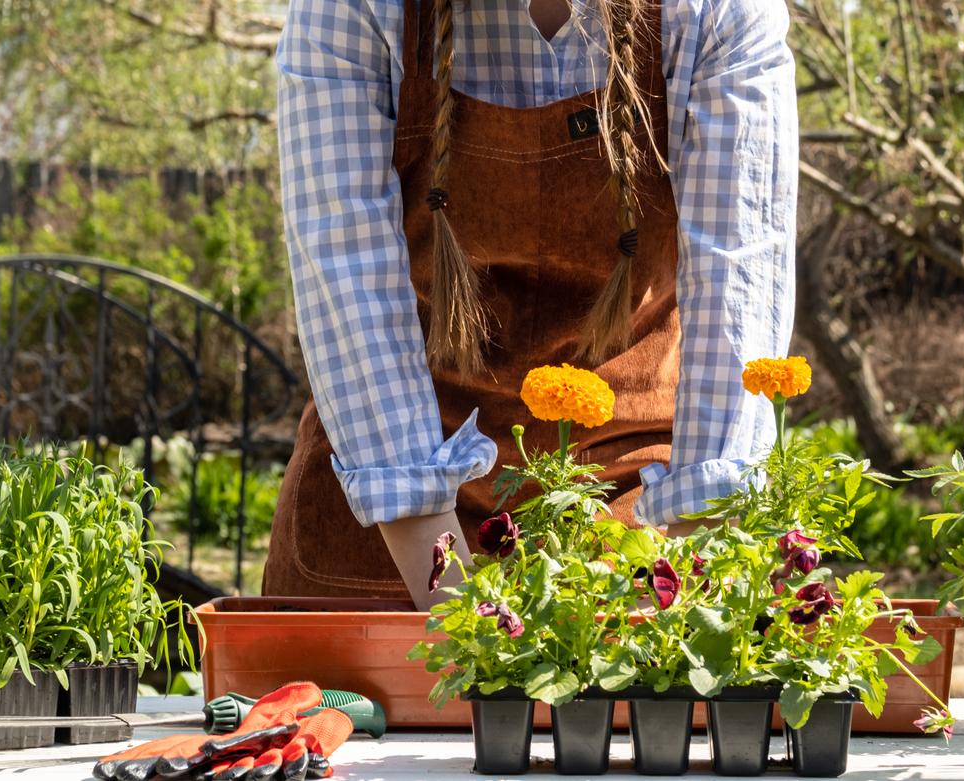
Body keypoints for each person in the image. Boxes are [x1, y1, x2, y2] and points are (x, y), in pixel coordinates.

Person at [264, 0, 797, 607]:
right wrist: (462, 620)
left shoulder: (714, 12)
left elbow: (739, 281)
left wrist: (669, 608)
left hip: (643, 509)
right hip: (390, 518)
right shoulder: (353, 10)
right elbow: (346, 279)